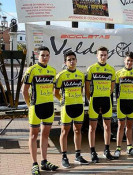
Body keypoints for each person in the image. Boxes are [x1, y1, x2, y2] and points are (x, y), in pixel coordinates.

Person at [22, 46, 59, 175]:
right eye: (42, 55)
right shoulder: (32, 70)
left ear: (49, 56)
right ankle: (34, 163)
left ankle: (44, 161)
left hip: (49, 106)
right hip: (35, 107)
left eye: (47, 55)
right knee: (33, 136)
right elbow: (24, 91)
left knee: (45, 135)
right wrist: (29, 106)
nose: (45, 57)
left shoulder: (52, 71)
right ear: (38, 56)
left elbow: (55, 90)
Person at [55, 51, 88, 168]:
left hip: (79, 106)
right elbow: (56, 92)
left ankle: (78, 156)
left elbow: (81, 90)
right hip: (66, 107)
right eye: (69, 60)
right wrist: (62, 100)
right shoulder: (61, 75)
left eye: (73, 59)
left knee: (78, 130)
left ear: (76, 60)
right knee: (64, 132)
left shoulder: (80, 75)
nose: (72, 61)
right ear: (65, 62)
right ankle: (64, 157)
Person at [86, 46, 116, 162]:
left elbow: (112, 85)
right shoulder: (91, 69)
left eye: (105, 55)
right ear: (97, 56)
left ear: (107, 55)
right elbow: (87, 87)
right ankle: (92, 152)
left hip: (106, 101)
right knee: (92, 127)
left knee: (107, 126)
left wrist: (108, 94)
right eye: (101, 55)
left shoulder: (111, 69)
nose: (103, 57)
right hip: (94, 100)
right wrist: (90, 99)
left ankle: (107, 150)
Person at [114, 52, 133, 158]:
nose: (129, 62)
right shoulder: (118, 73)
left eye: (131, 61)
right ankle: (118, 149)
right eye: (128, 60)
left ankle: (129, 148)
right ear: (124, 60)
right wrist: (117, 101)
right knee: (120, 126)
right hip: (122, 103)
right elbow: (116, 90)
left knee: (129, 126)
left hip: (131, 103)